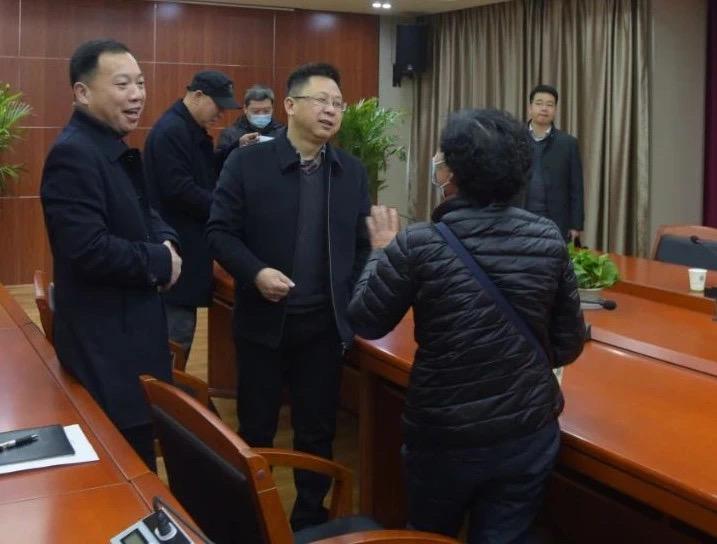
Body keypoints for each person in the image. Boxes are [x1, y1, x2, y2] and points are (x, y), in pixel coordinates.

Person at [348, 109, 585, 543]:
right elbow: (568, 344)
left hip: (445, 434)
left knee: (430, 535)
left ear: (452, 174)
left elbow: (366, 319)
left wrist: (380, 249)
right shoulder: (548, 237)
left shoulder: (418, 243)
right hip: (526, 432)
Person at [206, 62, 371, 530]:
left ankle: (309, 520)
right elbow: (219, 232)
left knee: (317, 430)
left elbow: (360, 246)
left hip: (323, 326)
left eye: (338, 104)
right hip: (263, 320)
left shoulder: (351, 172)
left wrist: (349, 292)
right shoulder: (247, 162)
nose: (332, 110)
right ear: (291, 105)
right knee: (257, 427)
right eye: (322, 101)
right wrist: (255, 272)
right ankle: (249, 518)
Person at [40, 39, 182, 470]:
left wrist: (168, 242)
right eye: (122, 85)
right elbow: (87, 249)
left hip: (129, 341)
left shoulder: (108, 146)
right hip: (109, 352)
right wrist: (160, 262)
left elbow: (145, 211)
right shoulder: (74, 153)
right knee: (128, 469)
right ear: (83, 92)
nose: (137, 95)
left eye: (140, 83)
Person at [144, 71, 240, 356]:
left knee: (179, 333)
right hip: (178, 248)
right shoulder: (172, 131)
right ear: (198, 96)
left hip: (188, 248)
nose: (221, 114)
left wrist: (233, 150)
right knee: (175, 339)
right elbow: (180, 189)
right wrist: (226, 209)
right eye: (218, 106)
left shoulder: (186, 127)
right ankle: (165, 386)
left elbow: (201, 170)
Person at [524, 84, 584, 242]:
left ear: (555, 110)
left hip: (556, 222)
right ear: (530, 108)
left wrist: (576, 225)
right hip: (520, 218)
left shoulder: (568, 143)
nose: (544, 108)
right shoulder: (514, 139)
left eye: (549, 105)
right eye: (539, 103)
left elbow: (576, 187)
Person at [215, 84, 285, 170]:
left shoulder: (283, 132)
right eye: (256, 111)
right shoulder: (230, 134)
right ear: (245, 109)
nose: (261, 115)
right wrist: (237, 145)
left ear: (272, 109)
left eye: (266, 111)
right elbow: (218, 164)